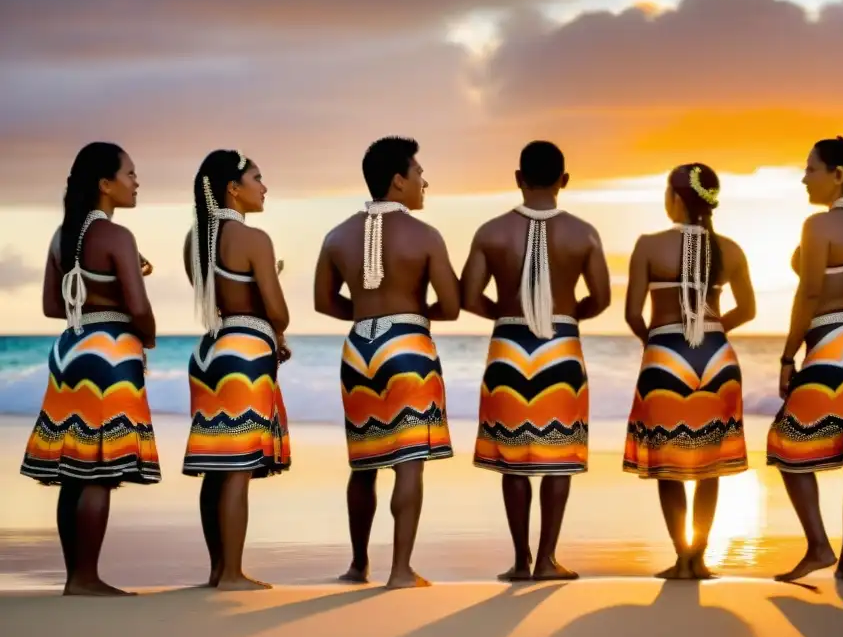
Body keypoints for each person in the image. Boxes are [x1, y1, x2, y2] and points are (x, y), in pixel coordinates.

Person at [461, 140, 611, 581]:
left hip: (508, 346)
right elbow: (601, 298)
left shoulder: (490, 232)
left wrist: (510, 316)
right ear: (564, 180)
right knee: (558, 456)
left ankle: (521, 560)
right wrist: (563, 316)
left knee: (513, 460)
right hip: (560, 346)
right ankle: (548, 559)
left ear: (518, 179)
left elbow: (470, 297)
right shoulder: (584, 233)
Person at [314, 136, 459, 589]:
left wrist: (366, 314)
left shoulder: (336, 235)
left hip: (358, 347)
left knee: (363, 463)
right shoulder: (426, 235)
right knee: (408, 462)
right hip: (407, 346)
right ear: (398, 181)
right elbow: (452, 306)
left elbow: (323, 302)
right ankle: (400, 571)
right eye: (419, 174)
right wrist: (411, 316)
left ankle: (358, 565)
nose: (424, 182)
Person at [21, 142, 161, 596]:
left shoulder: (62, 236)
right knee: (100, 468)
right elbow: (139, 309)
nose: (136, 182)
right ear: (105, 184)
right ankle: (87, 578)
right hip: (111, 353)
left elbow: (50, 306)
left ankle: (74, 576)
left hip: (70, 350)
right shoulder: (118, 238)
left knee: (73, 468)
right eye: (130, 174)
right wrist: (149, 335)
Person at [768, 129, 843, 583]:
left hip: (835, 343)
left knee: (785, 443)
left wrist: (787, 357)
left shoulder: (819, 226)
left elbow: (811, 292)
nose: (804, 179)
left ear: (837, 175)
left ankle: (820, 547)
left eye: (810, 169)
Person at [622, 163, 755, 579]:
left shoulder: (648, 246)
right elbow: (748, 310)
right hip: (717, 358)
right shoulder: (729, 249)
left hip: (666, 356)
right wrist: (710, 330)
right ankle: (700, 558)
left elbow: (631, 313)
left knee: (669, 463)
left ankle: (681, 557)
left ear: (676, 198)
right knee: (710, 464)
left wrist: (658, 341)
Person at [181, 149, 291, 591]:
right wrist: (275, 322)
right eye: (258, 178)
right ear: (233, 188)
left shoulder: (195, 239)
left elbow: (216, 300)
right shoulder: (254, 239)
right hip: (246, 352)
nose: (264, 187)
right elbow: (277, 312)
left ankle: (217, 569)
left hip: (210, 351)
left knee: (217, 466)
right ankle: (231, 573)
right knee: (238, 470)